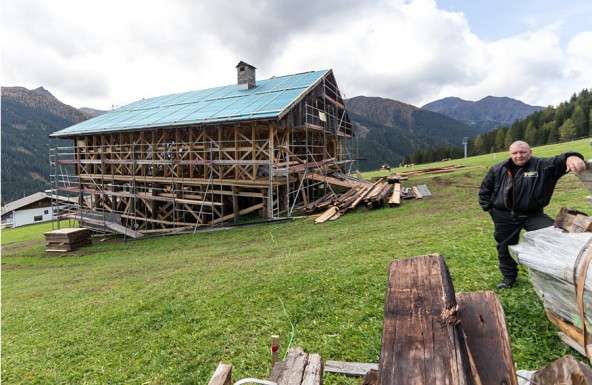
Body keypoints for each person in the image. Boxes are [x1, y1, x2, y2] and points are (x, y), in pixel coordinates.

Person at [478, 141, 586, 289]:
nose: (519, 156)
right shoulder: (498, 169)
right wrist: (490, 210)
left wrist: (573, 157)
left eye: (523, 152)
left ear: (530, 151)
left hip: (533, 215)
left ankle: (558, 272)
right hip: (504, 216)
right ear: (510, 154)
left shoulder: (543, 166)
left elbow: (561, 159)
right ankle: (509, 278)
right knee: (505, 247)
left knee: (554, 237)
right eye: (515, 153)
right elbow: (485, 190)